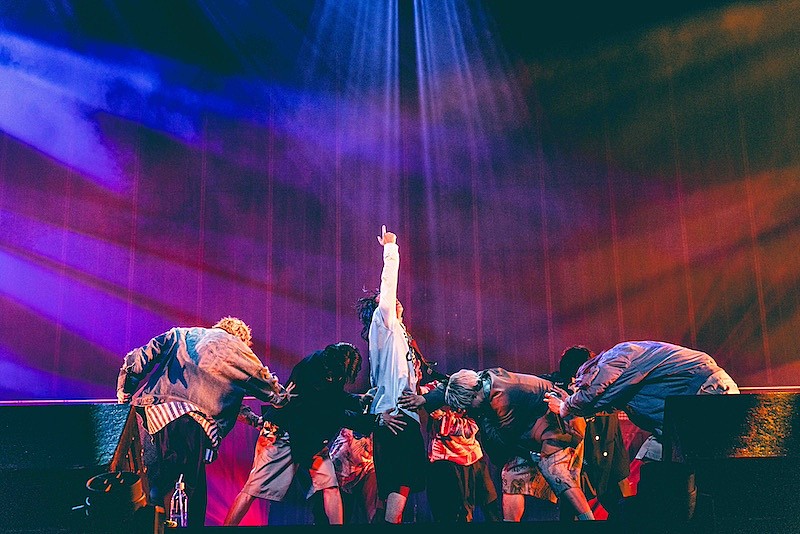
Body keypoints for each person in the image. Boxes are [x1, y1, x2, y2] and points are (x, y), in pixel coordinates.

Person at [116, 316, 291, 527]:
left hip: (152, 416)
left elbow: (137, 359)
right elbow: (274, 393)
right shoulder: (241, 352)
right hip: (192, 424)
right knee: (191, 497)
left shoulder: (181, 334)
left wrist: (124, 394)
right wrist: (284, 399)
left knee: (148, 485)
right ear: (242, 338)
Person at [545, 340, 739, 523]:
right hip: (681, 415)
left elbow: (595, 391)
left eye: (579, 383)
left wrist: (565, 406)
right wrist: (571, 406)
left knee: (704, 473)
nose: (579, 388)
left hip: (704, 394)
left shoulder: (614, 358)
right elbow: (603, 404)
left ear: (587, 368)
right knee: (652, 462)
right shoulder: (620, 378)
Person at [223, 342, 404, 526]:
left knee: (330, 486)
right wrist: (376, 420)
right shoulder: (312, 373)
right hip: (282, 434)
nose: (337, 379)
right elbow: (334, 412)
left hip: (309, 438)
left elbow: (335, 397)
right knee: (253, 489)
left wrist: (358, 401)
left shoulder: (332, 367)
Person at [444, 368, 595, 521]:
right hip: (534, 429)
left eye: (468, 405)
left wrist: (482, 418)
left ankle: (589, 520)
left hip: (560, 423)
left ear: (473, 395)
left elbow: (503, 442)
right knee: (511, 475)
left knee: (556, 471)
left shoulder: (502, 398)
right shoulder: (484, 381)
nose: (468, 410)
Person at [355, 225, 429, 524]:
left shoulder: (398, 334)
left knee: (398, 486)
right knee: (400, 482)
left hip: (399, 414)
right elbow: (388, 287)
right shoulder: (383, 324)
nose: (392, 301)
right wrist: (390, 249)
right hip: (396, 416)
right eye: (384, 300)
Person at [541, 346, 632, 520]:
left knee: (623, 509)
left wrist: (568, 405)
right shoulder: (559, 385)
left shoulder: (605, 381)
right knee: (573, 509)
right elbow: (540, 382)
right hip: (580, 460)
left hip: (610, 456)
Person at [398, 379, 502, 523]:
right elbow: (421, 397)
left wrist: (444, 417)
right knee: (457, 514)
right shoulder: (436, 389)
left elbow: (471, 426)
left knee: (491, 507)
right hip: (445, 460)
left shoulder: (473, 394)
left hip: (473, 457)